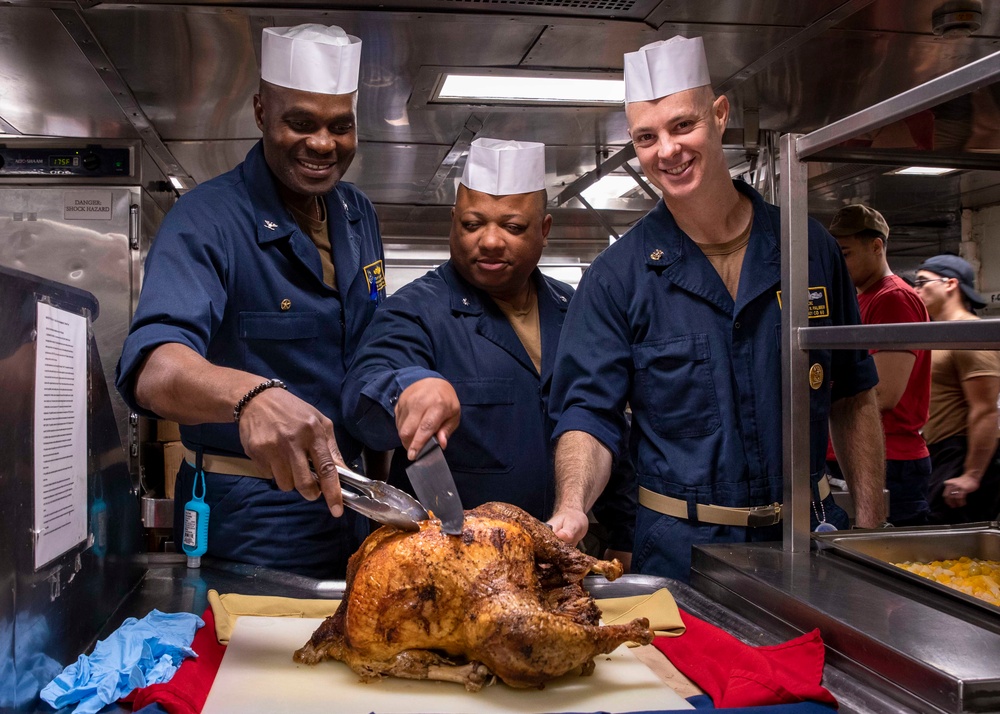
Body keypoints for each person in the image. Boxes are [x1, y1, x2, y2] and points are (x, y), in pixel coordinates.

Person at [546, 36, 887, 582]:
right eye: (646, 137)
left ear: (721, 114)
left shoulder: (807, 248)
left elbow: (852, 393)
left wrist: (870, 528)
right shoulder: (617, 277)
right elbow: (589, 415)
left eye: (683, 126)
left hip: (809, 539)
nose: (667, 151)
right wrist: (572, 505)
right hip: (682, 556)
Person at [115, 24, 386, 578]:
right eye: (301, 123)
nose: (322, 143)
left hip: (357, 507)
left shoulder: (359, 215)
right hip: (255, 517)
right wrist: (248, 395)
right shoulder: (208, 220)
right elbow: (152, 366)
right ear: (262, 111)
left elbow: (371, 344)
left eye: (341, 126)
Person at [344, 138, 635, 558]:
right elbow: (365, 390)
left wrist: (623, 538)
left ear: (545, 229)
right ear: (452, 222)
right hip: (454, 566)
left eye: (513, 227)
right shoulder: (417, 310)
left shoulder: (574, 310)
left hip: (564, 556)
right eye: (472, 224)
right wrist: (408, 387)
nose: (491, 240)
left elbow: (604, 422)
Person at [827, 204, 932, 526]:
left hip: (889, 458)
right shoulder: (860, 299)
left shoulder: (893, 299)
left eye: (845, 254)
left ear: (876, 247)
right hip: (855, 454)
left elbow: (884, 393)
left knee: (885, 562)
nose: (838, 265)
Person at [914, 254, 1000, 524]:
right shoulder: (939, 334)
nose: (915, 290)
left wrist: (971, 475)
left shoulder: (969, 335)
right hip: (936, 453)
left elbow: (985, 409)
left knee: (951, 551)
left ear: (950, 284)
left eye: (922, 282)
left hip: (960, 454)